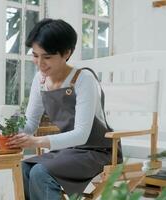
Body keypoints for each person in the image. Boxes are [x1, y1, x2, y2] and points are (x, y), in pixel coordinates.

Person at [7, 18, 121, 200]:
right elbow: (30, 124)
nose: (40, 63)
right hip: (67, 151)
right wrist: (13, 133)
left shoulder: (84, 79)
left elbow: (81, 135)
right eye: (35, 55)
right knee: (23, 168)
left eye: (47, 57)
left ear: (66, 53)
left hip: (97, 151)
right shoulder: (40, 80)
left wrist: (35, 142)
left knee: (40, 172)